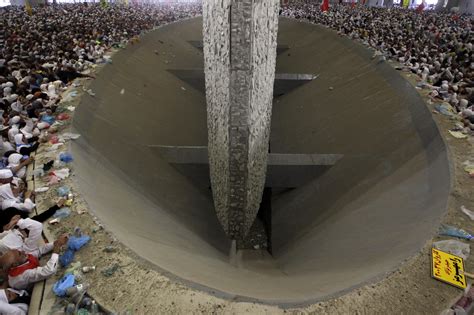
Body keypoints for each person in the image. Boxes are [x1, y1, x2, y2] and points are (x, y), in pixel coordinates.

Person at [0, 233, 68, 290]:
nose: (23, 251)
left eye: (19, 251)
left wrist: (55, 243)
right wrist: (56, 250)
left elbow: (39, 251)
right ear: (15, 264)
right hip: (33, 289)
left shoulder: (20, 259)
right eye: (19, 253)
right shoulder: (21, 276)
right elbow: (49, 270)